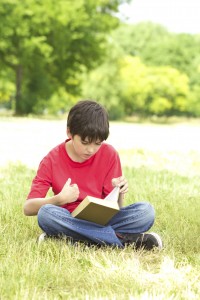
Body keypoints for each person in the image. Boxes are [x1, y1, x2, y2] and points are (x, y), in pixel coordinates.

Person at [24, 100, 162, 250]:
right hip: (69, 219)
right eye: (85, 142)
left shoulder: (109, 154)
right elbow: (28, 208)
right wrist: (58, 199)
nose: (91, 150)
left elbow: (116, 207)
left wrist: (120, 192)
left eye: (97, 143)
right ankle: (123, 240)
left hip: (102, 220)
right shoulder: (51, 159)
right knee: (46, 214)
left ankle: (77, 240)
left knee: (146, 212)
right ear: (69, 132)